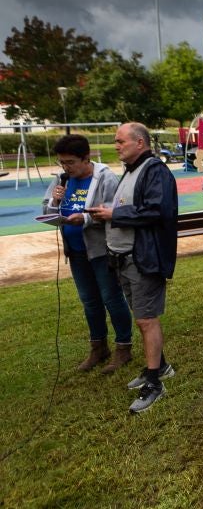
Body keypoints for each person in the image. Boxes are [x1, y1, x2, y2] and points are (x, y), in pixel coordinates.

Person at [86, 123, 177, 413]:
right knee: (141, 317)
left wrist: (115, 213)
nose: (116, 146)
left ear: (140, 142)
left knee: (146, 320)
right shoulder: (131, 170)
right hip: (125, 258)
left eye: (120, 141)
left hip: (143, 258)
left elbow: (156, 211)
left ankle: (155, 382)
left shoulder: (154, 170)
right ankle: (160, 366)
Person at [41, 134, 133, 374]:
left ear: (86, 158)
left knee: (111, 298)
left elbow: (116, 210)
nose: (65, 167)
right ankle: (98, 347)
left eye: (70, 162)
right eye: (62, 162)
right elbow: (46, 207)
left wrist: (86, 217)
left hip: (101, 250)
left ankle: (123, 348)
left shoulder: (105, 178)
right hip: (76, 253)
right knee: (90, 302)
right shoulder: (62, 180)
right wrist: (54, 201)